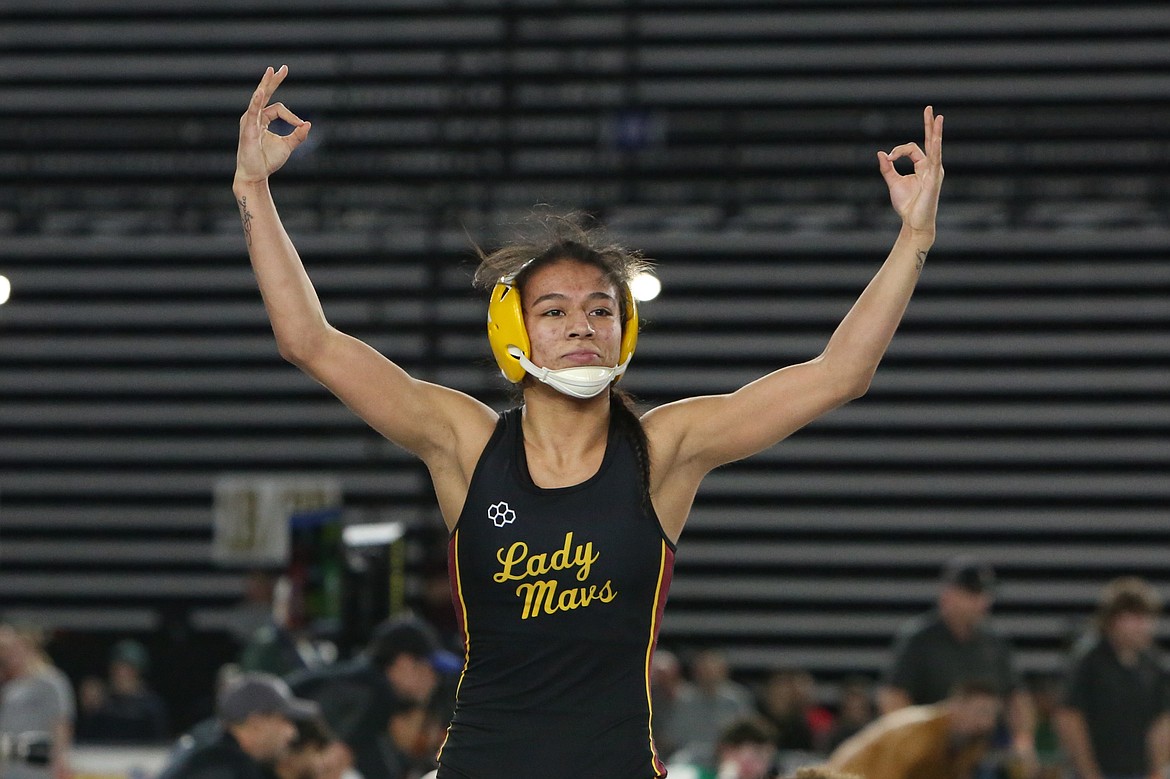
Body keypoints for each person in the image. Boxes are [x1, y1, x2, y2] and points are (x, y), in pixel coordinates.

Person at [234, 64, 945, 779]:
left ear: (624, 331)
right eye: (556, 310)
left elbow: (839, 374)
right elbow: (309, 340)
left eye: (601, 309)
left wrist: (913, 237)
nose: (583, 325)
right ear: (515, 333)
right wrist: (254, 190)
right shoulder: (467, 442)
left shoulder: (664, 449)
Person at [878, 556, 1036, 770]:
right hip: (934, 752)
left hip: (985, 755)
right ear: (948, 595)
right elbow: (893, 698)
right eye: (972, 594)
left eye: (985, 594)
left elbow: (1016, 696)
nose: (982, 602)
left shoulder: (995, 642)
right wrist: (914, 745)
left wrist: (1023, 740)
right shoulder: (919, 640)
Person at [286, 615, 460, 779]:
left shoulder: (362, 681)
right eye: (428, 669)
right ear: (403, 663)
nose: (434, 679)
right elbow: (333, 762)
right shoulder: (377, 693)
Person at [1055, 576, 1170, 779]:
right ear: (1114, 619)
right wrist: (1089, 773)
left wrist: (1157, 770)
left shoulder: (1154, 665)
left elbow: (1161, 723)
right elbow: (1069, 718)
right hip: (1095, 772)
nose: (1145, 626)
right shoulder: (1088, 660)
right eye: (1137, 618)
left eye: (1148, 618)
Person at [825, 678, 1002, 779]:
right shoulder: (917, 730)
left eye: (992, 715)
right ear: (955, 706)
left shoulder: (969, 742)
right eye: (981, 712)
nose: (987, 723)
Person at [156, 672, 319, 779]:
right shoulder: (218, 770)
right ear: (257, 724)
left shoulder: (228, 761)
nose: (292, 732)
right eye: (284, 721)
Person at [0, 621, 75, 779]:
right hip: (12, 766)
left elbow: (61, 723)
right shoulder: (10, 685)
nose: (7, 655)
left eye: (13, 649)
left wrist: (59, 762)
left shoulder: (51, 681)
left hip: (38, 765)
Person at [75, 638, 169, 743]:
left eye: (127, 669)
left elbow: (159, 742)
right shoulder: (102, 702)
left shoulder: (151, 705)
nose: (121, 674)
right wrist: (89, 710)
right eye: (117, 669)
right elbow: (85, 738)